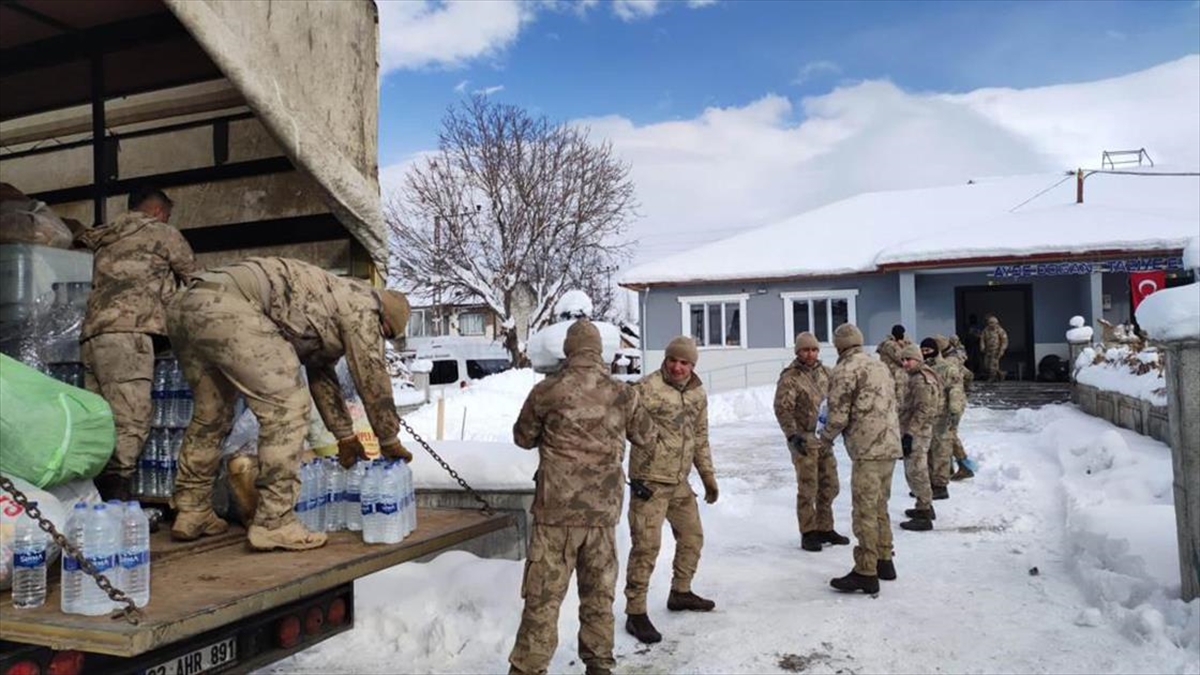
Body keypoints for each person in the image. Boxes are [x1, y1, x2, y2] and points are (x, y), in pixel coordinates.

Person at [165, 257, 413, 551]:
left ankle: (193, 510)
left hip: (187, 305)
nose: (377, 340)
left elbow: (321, 373)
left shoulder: (330, 301)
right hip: (229, 308)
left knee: (212, 413)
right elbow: (371, 374)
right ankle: (275, 521)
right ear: (385, 321)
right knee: (287, 408)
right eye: (384, 335)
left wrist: (344, 435)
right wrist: (388, 437)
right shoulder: (364, 305)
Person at [509, 319, 656, 675]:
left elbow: (523, 437)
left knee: (543, 600)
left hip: (555, 516)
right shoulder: (624, 393)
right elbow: (647, 435)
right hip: (602, 517)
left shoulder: (547, 391)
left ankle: (528, 668)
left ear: (567, 350)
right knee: (598, 599)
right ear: (599, 351)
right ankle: (599, 664)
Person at [77, 187, 197, 501]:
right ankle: (115, 500)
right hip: (129, 334)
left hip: (93, 335)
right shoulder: (163, 233)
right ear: (158, 212)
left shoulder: (106, 238)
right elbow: (195, 281)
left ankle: (89, 495)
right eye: (167, 215)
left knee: (100, 417)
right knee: (131, 416)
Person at [624, 336, 720, 645]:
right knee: (646, 547)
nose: (677, 367)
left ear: (692, 365)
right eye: (672, 360)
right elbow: (617, 428)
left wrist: (707, 476)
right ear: (665, 360)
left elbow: (700, 436)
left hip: (679, 482)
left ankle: (681, 592)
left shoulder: (697, 393)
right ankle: (635, 612)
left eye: (684, 362)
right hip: (648, 483)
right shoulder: (645, 389)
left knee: (692, 537)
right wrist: (627, 474)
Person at [817, 323, 902, 594]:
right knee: (880, 505)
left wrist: (825, 438)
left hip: (867, 449)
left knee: (864, 509)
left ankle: (866, 570)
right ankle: (884, 560)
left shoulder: (844, 370)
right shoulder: (880, 365)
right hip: (889, 445)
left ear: (839, 345)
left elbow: (838, 415)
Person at [773, 331, 847, 553]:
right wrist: (792, 435)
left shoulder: (827, 372)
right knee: (808, 487)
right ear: (798, 352)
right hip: (803, 439)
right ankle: (808, 531)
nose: (810, 354)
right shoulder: (790, 377)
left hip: (823, 438)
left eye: (814, 349)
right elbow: (782, 408)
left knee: (830, 484)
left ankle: (825, 527)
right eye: (806, 350)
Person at [897, 344, 943, 531]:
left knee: (917, 472)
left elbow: (924, 410)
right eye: (903, 360)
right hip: (915, 431)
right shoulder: (916, 376)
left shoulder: (921, 380)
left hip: (917, 432)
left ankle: (924, 513)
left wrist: (910, 434)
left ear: (918, 360)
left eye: (909, 359)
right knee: (914, 471)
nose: (905, 363)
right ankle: (924, 506)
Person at [922, 337, 965, 501]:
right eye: (923, 351)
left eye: (928, 350)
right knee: (928, 451)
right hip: (927, 417)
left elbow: (955, 390)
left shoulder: (947, 368)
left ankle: (940, 485)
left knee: (941, 451)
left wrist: (954, 411)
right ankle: (930, 484)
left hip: (943, 416)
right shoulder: (924, 368)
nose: (925, 354)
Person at [942, 336, 976, 480]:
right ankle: (951, 467)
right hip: (956, 401)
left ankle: (963, 465)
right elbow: (969, 375)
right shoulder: (956, 359)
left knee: (949, 434)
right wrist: (965, 391)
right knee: (948, 434)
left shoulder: (948, 363)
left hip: (953, 403)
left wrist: (960, 393)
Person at [875, 323, 911, 404]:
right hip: (894, 377)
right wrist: (905, 345)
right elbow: (902, 358)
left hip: (895, 377)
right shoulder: (890, 345)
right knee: (898, 402)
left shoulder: (892, 344)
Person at [979, 315, 1009, 382]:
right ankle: (1001, 374)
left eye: (992, 323)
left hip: (996, 350)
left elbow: (1004, 341)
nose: (991, 324)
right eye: (989, 323)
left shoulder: (1000, 330)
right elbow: (982, 339)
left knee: (993, 365)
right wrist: (982, 346)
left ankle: (992, 378)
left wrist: (1002, 350)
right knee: (986, 365)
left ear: (996, 323)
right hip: (987, 350)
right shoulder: (985, 330)